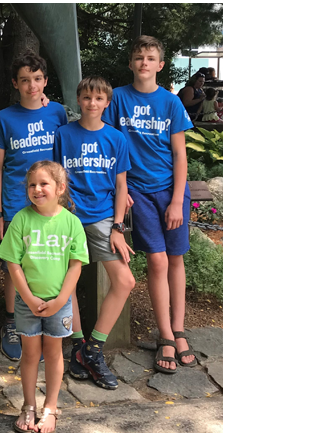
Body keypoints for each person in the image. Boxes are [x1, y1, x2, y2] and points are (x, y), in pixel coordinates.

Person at [102, 35, 196, 374]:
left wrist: (175, 201)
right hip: (137, 192)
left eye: (151, 57)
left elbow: (180, 154)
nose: (144, 61)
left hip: (171, 192)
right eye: (138, 56)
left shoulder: (171, 102)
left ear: (160, 64)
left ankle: (180, 329)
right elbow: (109, 144)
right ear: (131, 63)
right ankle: (166, 335)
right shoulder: (117, 100)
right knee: (156, 261)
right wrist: (119, 188)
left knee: (175, 258)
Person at [53, 77, 136, 390]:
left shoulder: (116, 139)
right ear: (78, 100)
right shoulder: (64, 134)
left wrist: (117, 226)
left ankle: (94, 348)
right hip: (69, 218)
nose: (91, 103)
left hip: (103, 219)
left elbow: (121, 185)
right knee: (69, 281)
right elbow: (55, 176)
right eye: (86, 97)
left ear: (106, 102)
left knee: (125, 281)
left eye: (98, 98)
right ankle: (77, 345)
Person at [0, 161, 88, 433]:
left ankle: (50, 408)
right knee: (30, 354)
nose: (37, 189)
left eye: (43, 183)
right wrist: (28, 297)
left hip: (60, 304)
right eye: (32, 184)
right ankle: (28, 405)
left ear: (60, 188)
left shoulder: (72, 223)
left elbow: (76, 264)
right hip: (27, 304)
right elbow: (13, 263)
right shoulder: (22, 220)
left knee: (54, 353)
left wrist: (61, 300)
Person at [0, 50, 68, 361]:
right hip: (14, 201)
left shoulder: (57, 113)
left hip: (49, 203)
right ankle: (11, 321)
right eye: (25, 80)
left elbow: (63, 156)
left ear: (45, 82)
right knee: (15, 265)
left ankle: (51, 317)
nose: (31, 85)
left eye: (37, 79)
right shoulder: (3, 118)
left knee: (48, 257)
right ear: (15, 84)